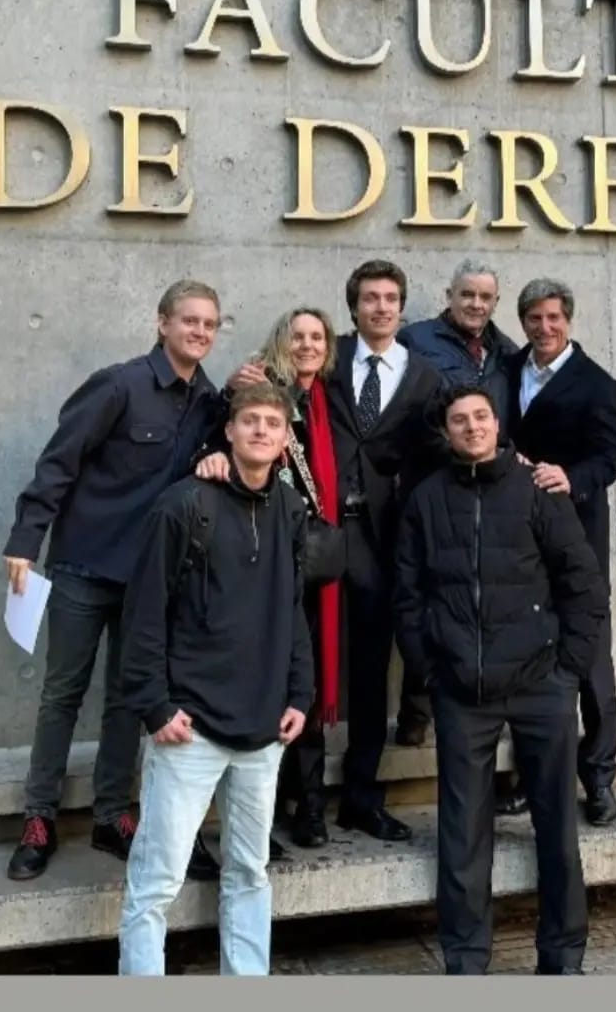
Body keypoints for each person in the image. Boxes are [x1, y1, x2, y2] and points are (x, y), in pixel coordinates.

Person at [2, 280, 224, 883]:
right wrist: (26, 538)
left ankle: (111, 816)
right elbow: (59, 461)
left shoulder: (210, 403)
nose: (200, 332)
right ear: (162, 323)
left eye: (209, 324)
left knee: (131, 698)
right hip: (84, 564)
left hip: (149, 579)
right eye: (189, 320)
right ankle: (39, 818)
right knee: (62, 694)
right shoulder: (119, 385)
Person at [394, 385, 608, 976]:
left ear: (497, 424)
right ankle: (466, 961)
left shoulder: (536, 490)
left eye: (481, 416)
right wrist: (430, 668)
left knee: (557, 829)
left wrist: (567, 671)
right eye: (460, 419)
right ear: (447, 431)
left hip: (542, 684)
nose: (472, 427)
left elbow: (584, 586)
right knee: (462, 836)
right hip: (462, 690)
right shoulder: (427, 499)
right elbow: (407, 596)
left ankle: (562, 959)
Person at [117, 383, 314, 977]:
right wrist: (155, 706)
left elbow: (292, 608)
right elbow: (143, 613)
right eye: (249, 420)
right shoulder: (183, 505)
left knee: (250, 873)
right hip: (190, 728)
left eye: (272, 423)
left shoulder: (290, 509)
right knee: (156, 882)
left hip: (263, 729)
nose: (260, 430)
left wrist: (299, 692)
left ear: (285, 439)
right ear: (228, 431)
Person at [196, 306, 341, 849]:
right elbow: (218, 440)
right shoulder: (257, 388)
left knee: (305, 678)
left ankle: (310, 804)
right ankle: (266, 811)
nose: (307, 345)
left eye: (317, 336)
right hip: (259, 553)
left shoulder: (326, 397)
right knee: (267, 677)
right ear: (281, 340)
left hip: (309, 558)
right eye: (297, 335)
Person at [326, 259, 443, 841]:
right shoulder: (327, 357)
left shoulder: (424, 376)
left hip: (381, 539)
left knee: (372, 673)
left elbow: (446, 444)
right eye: (370, 298)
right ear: (354, 307)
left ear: (401, 307)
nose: (380, 307)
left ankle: (360, 796)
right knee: (304, 665)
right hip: (320, 533)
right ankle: (299, 799)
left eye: (390, 298)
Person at [505, 278, 616, 827]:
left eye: (553, 317)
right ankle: (531, 779)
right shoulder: (510, 369)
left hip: (578, 536)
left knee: (590, 662)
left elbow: (609, 458)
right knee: (528, 659)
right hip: (521, 537)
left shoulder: (598, 384)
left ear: (568, 320)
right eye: (534, 318)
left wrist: (571, 477)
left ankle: (598, 779)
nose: (544, 327)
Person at [398, 258, 520, 428]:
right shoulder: (414, 341)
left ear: (495, 302)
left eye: (485, 297)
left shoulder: (509, 352)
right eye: (467, 295)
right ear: (450, 296)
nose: (476, 304)